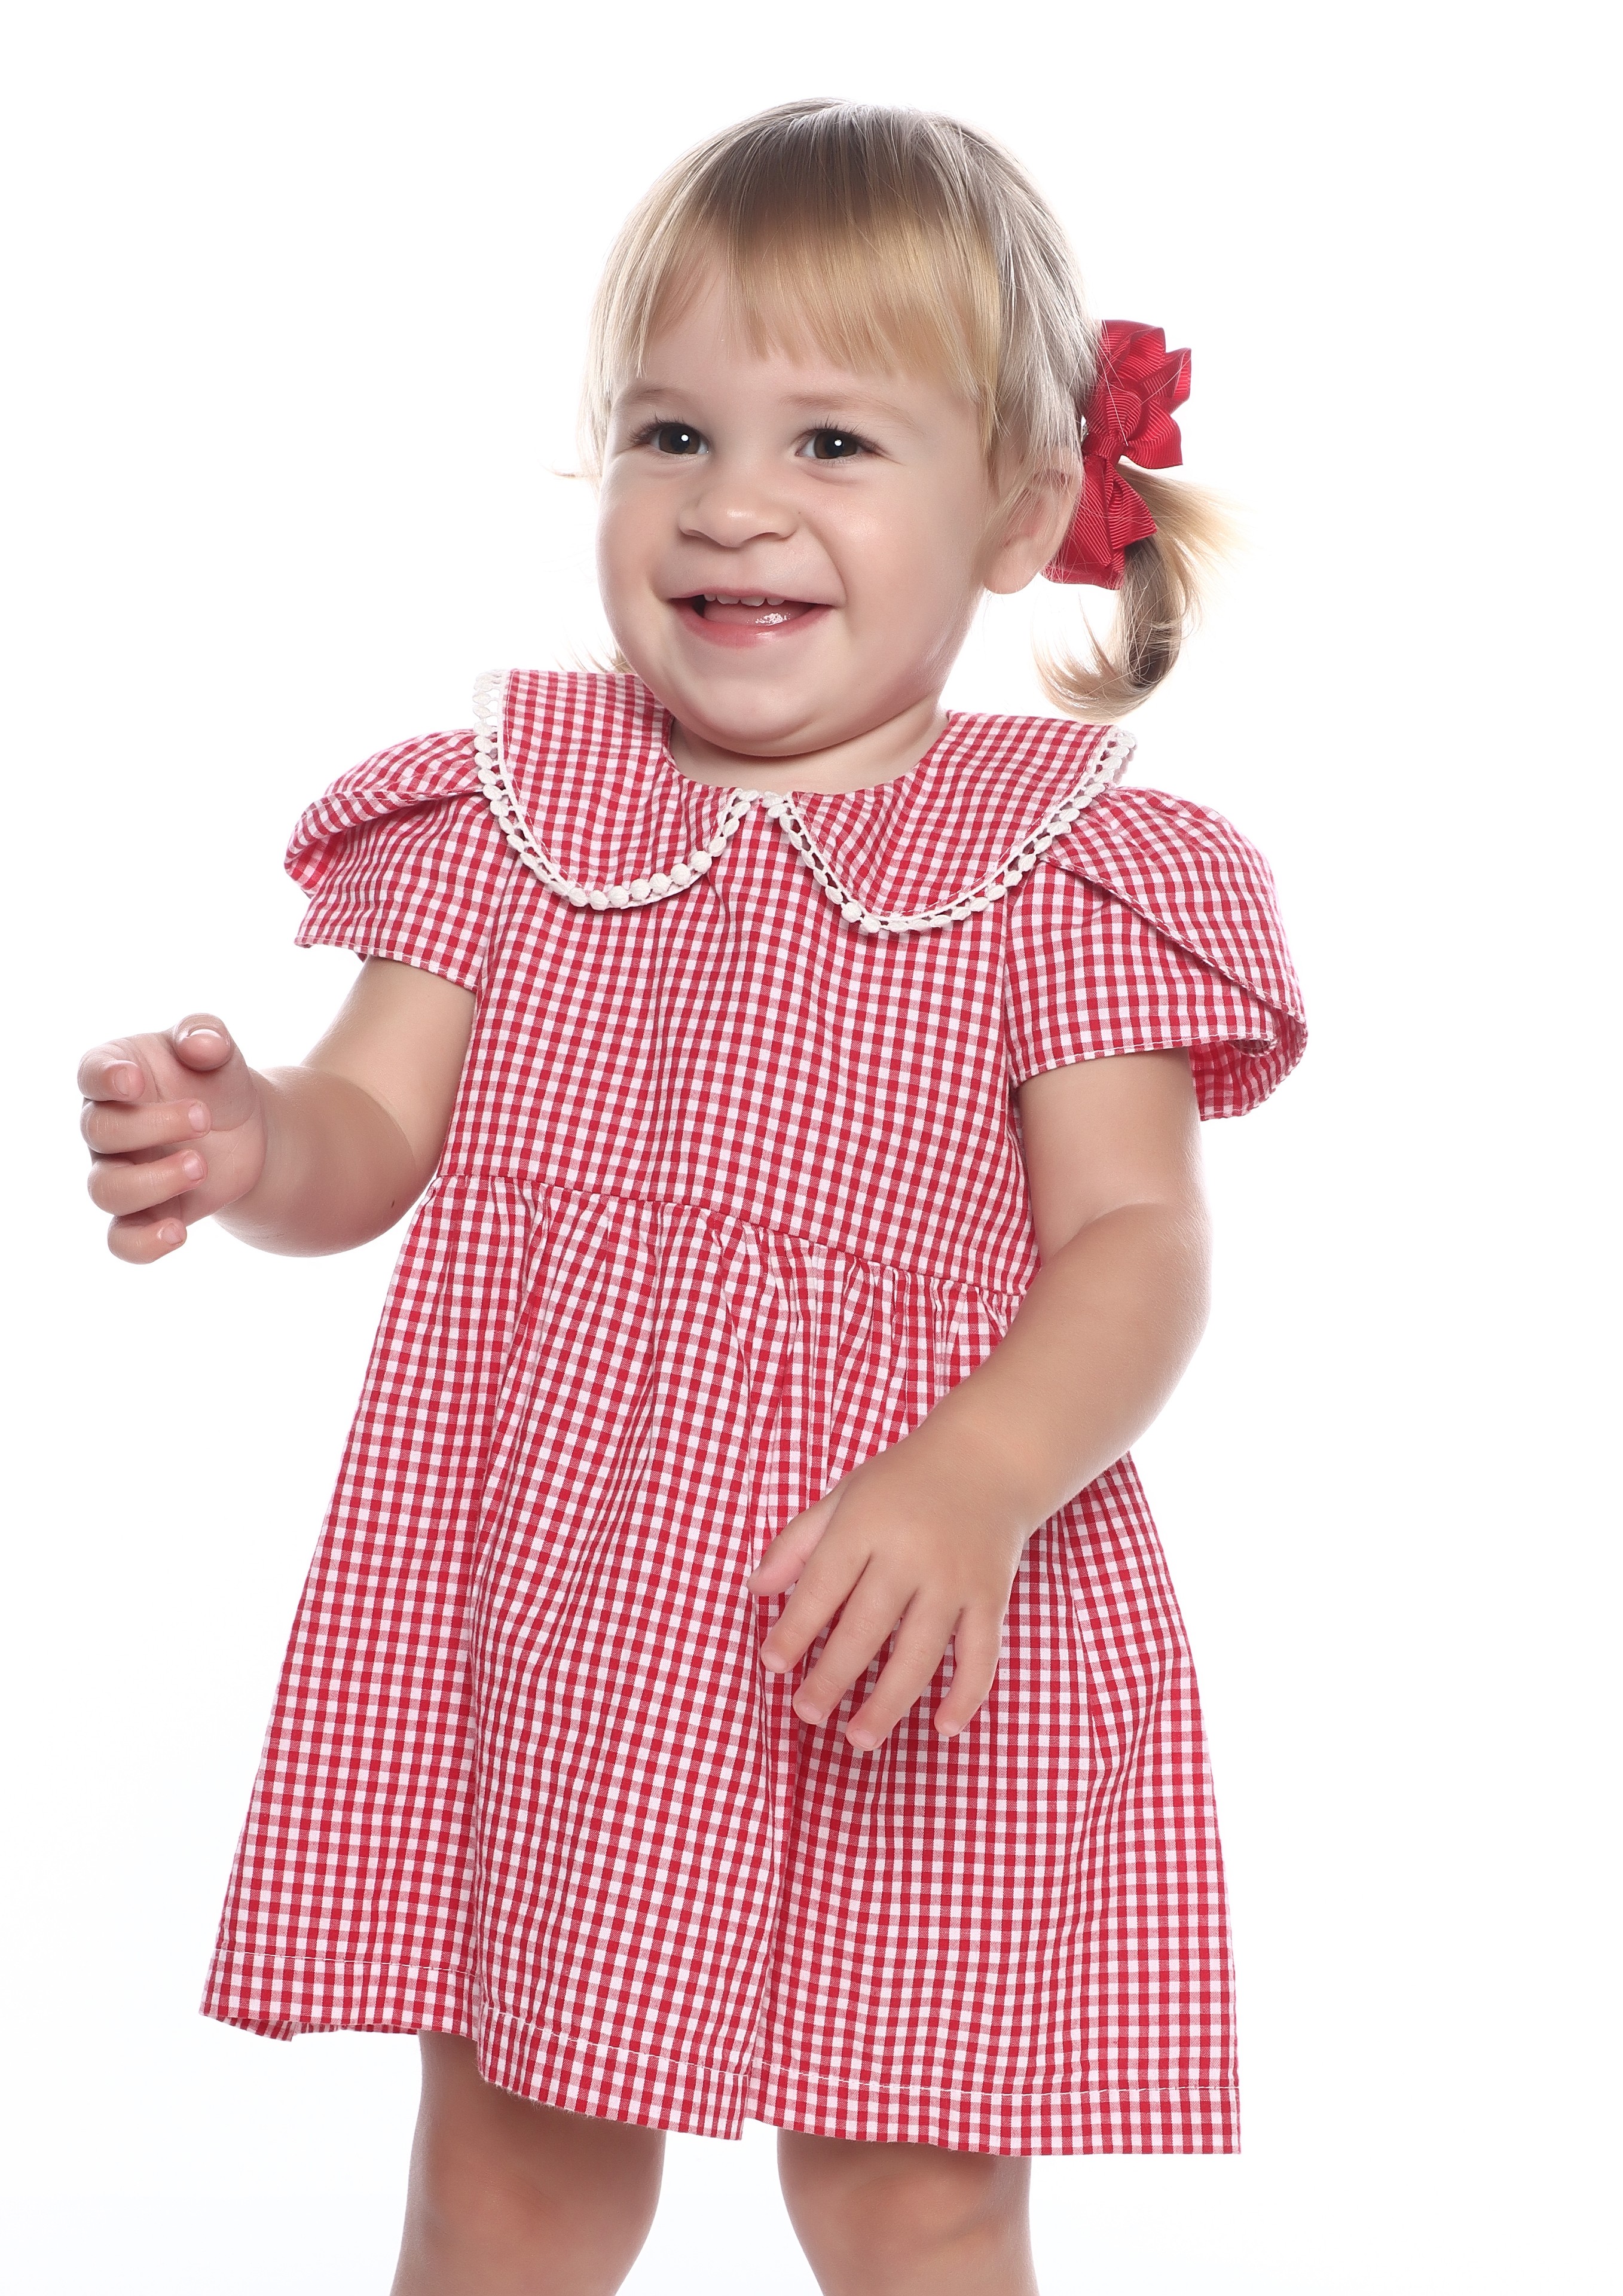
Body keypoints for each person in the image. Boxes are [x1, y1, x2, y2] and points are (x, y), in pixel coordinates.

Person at [77, 99, 1306, 2296]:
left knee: (911, 2191)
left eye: (832, 442)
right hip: (577, 1609)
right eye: (670, 433)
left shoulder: (1061, 870)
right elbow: (373, 1132)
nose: (731, 500)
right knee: (515, 2168)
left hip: (916, 1623)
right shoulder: (508, 812)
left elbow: (1138, 1247)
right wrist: (256, 1139)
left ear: (1022, 509)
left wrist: (975, 1480)